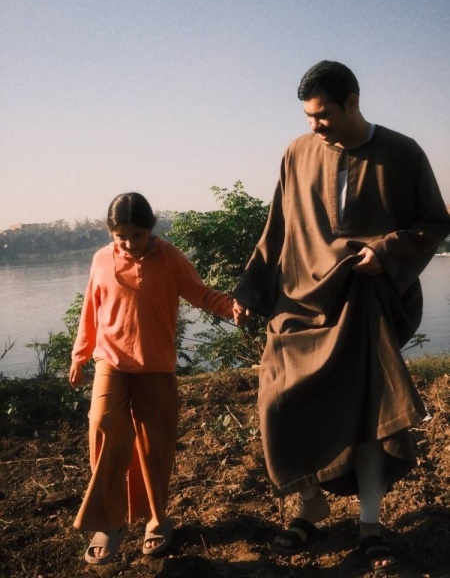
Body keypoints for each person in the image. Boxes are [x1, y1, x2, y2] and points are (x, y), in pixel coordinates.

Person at [233, 60, 450, 574]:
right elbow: (278, 225)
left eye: (322, 114)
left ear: (352, 101)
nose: (314, 125)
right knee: (279, 403)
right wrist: (250, 289)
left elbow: (434, 222)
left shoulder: (402, 152)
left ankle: (370, 525)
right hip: (299, 302)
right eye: (308, 116)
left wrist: (387, 250)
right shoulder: (297, 152)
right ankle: (311, 504)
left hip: (366, 301)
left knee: (369, 418)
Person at [69, 192, 233, 565]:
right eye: (121, 236)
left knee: (154, 448)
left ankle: (157, 519)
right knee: (103, 427)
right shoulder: (102, 259)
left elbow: (199, 292)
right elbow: (91, 310)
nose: (129, 243)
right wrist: (80, 355)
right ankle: (109, 523)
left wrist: (232, 307)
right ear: (111, 232)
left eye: (137, 235)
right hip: (112, 361)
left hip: (156, 366)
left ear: (151, 230)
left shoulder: (170, 258)